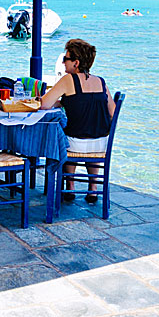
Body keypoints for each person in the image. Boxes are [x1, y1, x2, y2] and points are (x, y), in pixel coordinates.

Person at [40, 39, 116, 205]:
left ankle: (70, 185)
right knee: (88, 132)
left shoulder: (68, 80)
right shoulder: (101, 82)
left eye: (66, 59)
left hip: (75, 144)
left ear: (76, 63)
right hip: (101, 144)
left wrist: (59, 101)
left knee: (65, 135)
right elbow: (112, 112)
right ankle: (93, 189)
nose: (62, 62)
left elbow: (44, 104)